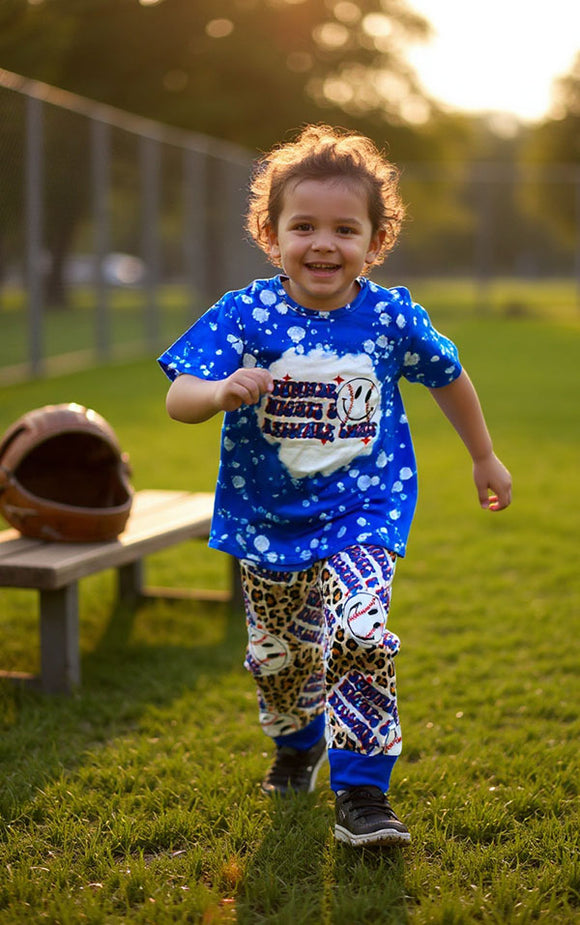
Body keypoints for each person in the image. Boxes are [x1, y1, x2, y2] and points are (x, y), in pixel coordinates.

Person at [158, 124, 512, 848]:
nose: (324, 242)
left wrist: (484, 455)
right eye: (305, 226)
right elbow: (179, 396)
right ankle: (297, 741)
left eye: (345, 228)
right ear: (272, 233)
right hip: (268, 518)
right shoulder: (244, 313)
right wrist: (221, 389)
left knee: (359, 631)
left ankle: (363, 792)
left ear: (375, 243)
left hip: (364, 509)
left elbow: (449, 375)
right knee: (280, 654)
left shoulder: (389, 316)